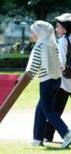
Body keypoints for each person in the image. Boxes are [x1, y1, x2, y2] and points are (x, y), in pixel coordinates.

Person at [26, 20, 71, 148]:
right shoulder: (53, 44)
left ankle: (67, 134)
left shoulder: (40, 46)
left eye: (33, 32)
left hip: (47, 81)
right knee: (40, 109)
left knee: (48, 111)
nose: (32, 35)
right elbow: (60, 64)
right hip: (57, 80)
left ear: (39, 32)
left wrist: (22, 81)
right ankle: (37, 138)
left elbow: (32, 68)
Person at [44, 14, 71, 142]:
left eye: (58, 26)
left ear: (65, 28)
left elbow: (61, 62)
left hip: (65, 81)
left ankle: (48, 136)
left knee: (55, 110)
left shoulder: (63, 41)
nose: (56, 29)